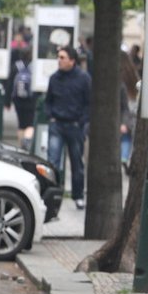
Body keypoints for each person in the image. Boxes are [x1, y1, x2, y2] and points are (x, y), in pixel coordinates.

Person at [45, 45, 91, 209]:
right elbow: (48, 100)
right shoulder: (54, 78)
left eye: (62, 57)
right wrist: (50, 115)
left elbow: (88, 103)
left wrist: (82, 121)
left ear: (72, 61)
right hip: (57, 124)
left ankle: (78, 196)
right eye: (58, 57)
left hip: (75, 125)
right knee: (52, 162)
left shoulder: (83, 78)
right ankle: (51, 194)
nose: (59, 60)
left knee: (77, 164)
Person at [5, 48, 37, 150]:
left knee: (21, 124)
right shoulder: (34, 67)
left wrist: (7, 102)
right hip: (31, 100)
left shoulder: (16, 66)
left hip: (18, 99)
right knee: (30, 123)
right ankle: (27, 140)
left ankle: (21, 146)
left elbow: (9, 84)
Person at [119, 48, 140, 171]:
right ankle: (125, 157)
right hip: (132, 111)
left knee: (124, 138)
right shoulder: (132, 74)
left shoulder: (117, 78)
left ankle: (123, 157)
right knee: (127, 138)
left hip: (123, 111)